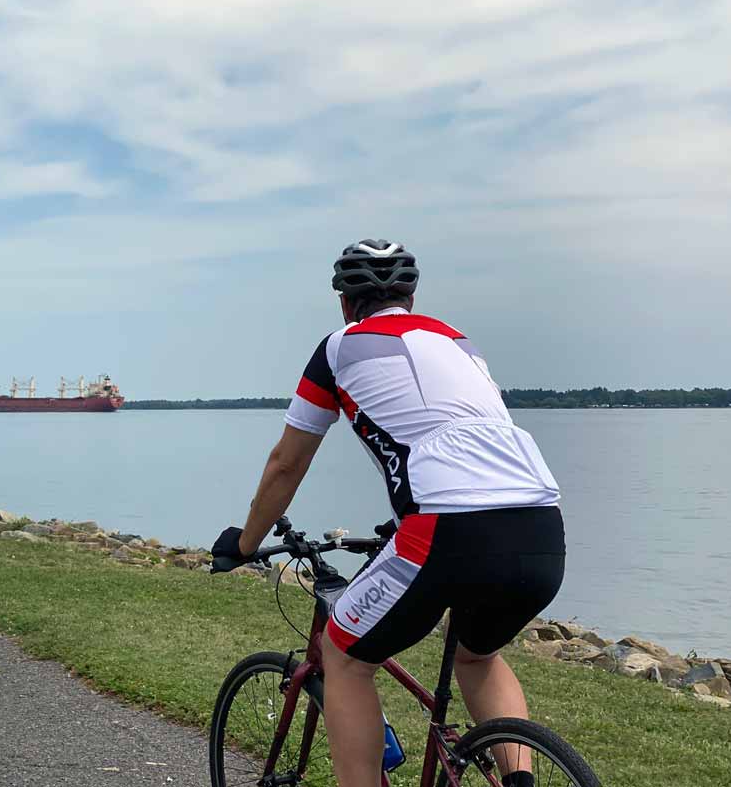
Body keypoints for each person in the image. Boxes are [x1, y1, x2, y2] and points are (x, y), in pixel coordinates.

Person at [211, 240, 565, 787]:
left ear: (345, 302)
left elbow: (286, 463)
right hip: (541, 523)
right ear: (412, 295)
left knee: (344, 655)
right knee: (478, 657)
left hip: (445, 526)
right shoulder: (458, 343)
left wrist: (244, 543)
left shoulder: (338, 348)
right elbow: (469, 444)